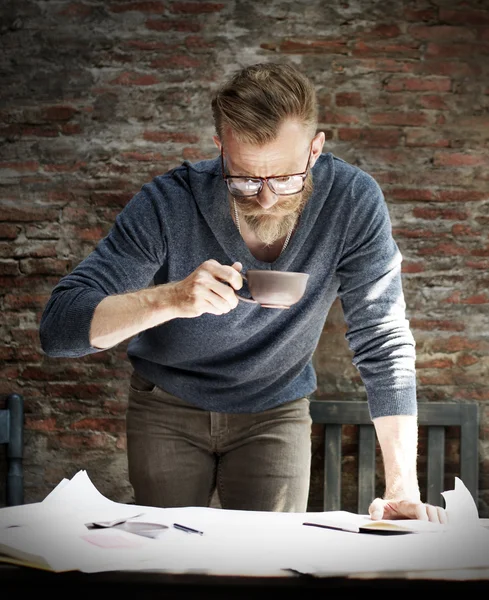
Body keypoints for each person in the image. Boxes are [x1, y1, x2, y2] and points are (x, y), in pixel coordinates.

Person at [40, 62, 446, 523]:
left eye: (286, 178)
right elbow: (59, 329)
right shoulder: (168, 201)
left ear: (316, 149)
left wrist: (401, 487)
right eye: (247, 179)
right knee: (163, 563)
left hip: (277, 406)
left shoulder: (353, 202)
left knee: (271, 561)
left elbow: (382, 338)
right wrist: (170, 298)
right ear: (221, 150)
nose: (268, 198)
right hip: (167, 403)